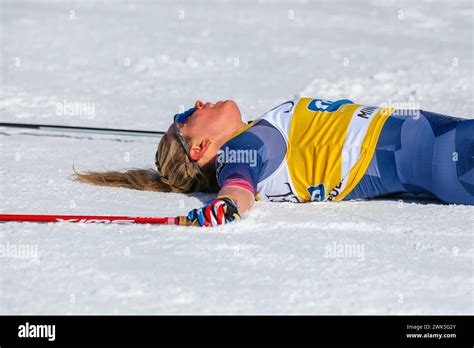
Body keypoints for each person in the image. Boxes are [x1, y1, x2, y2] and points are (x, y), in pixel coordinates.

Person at [74, 98, 474, 226]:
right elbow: (239, 186)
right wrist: (226, 206)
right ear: (199, 147)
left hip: (442, 146)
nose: (196, 105)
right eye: (185, 117)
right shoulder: (240, 152)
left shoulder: (251, 135)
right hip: (448, 156)